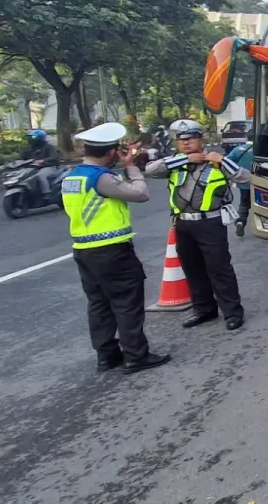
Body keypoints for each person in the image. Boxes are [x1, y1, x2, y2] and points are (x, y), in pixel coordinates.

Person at [63, 123, 170, 374]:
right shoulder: (100, 178)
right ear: (112, 152)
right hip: (111, 251)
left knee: (98, 304)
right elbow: (140, 194)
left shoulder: (72, 177)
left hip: (83, 250)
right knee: (126, 303)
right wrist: (131, 166)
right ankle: (136, 356)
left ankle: (106, 356)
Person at [146, 119, 250, 331]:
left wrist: (221, 161)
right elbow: (151, 170)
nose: (186, 143)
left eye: (191, 138)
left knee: (220, 269)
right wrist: (185, 159)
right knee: (192, 269)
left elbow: (244, 177)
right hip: (183, 224)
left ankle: (232, 312)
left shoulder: (215, 161)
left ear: (201, 140)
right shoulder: (176, 162)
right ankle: (204, 310)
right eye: (181, 140)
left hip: (210, 223)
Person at [225, 131, 255, 237]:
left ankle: (240, 221)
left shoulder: (237, 149)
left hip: (243, 183)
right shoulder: (261, 150)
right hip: (261, 182)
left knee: (244, 204)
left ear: (247, 137)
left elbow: (226, 162)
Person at [20, 128, 61, 196]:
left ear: (39, 138)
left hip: (49, 166)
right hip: (34, 167)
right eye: (30, 137)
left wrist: (43, 160)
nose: (31, 139)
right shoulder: (31, 148)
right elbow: (23, 158)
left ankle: (46, 192)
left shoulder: (49, 147)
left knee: (40, 175)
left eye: (33, 137)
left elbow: (54, 157)